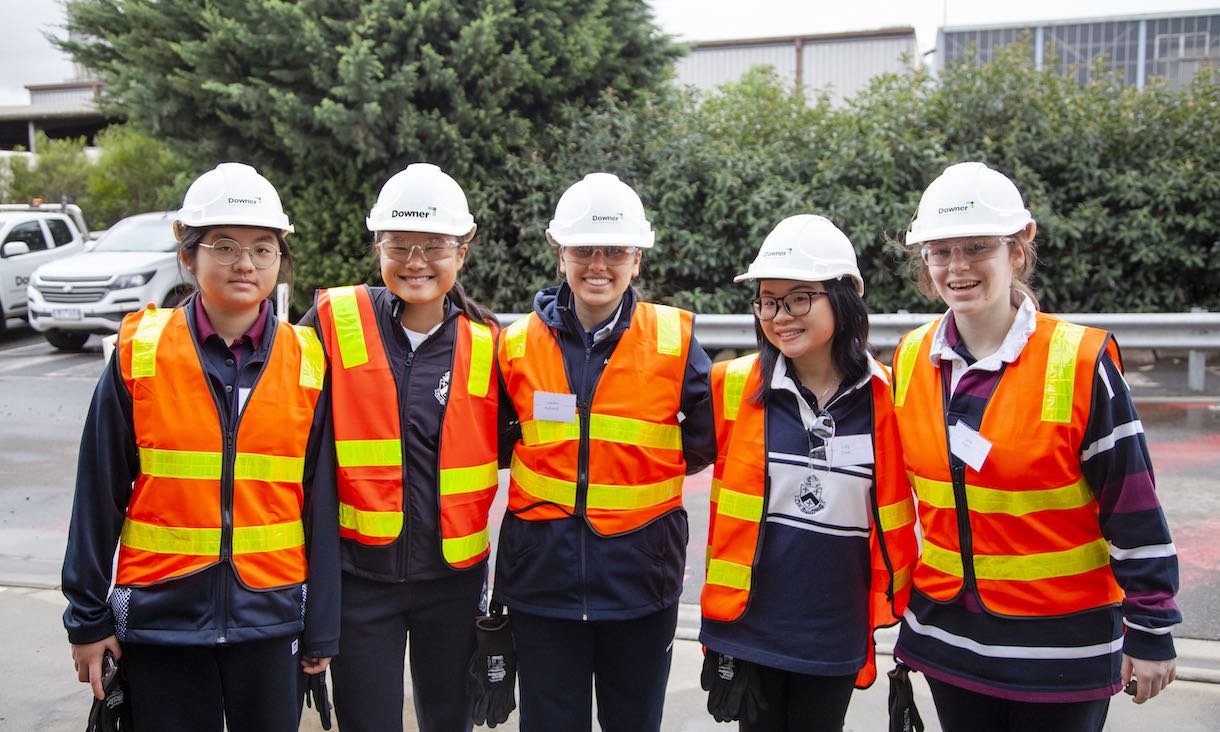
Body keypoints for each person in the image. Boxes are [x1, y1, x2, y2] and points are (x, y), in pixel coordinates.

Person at [890, 162, 1181, 731]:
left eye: (977, 247)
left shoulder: (1079, 360)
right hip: (950, 641)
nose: (958, 267)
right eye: (941, 251)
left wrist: (1151, 628)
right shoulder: (910, 357)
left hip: (1062, 650)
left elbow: (1134, 504)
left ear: (1017, 252)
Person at [62, 162, 339, 732]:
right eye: (224, 244)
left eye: (264, 249)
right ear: (187, 256)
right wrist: (87, 620)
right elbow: (98, 494)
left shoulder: (308, 361)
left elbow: (321, 506)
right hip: (162, 621)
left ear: (280, 261)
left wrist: (323, 629)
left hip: (271, 621)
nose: (246, 263)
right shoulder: (140, 352)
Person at [494, 172, 716, 731]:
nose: (599, 264)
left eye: (614, 251)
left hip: (641, 581)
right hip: (542, 581)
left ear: (636, 259)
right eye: (583, 249)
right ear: (560, 254)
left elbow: (703, 441)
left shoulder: (675, 340)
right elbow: (499, 441)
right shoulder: (515, 344)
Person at [698, 215, 919, 731]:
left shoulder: (889, 398)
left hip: (833, 629)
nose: (779, 316)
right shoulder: (730, 386)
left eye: (799, 298)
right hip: (749, 624)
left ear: (842, 298)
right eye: (768, 300)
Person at [305, 163, 500, 732]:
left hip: (455, 582)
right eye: (400, 245)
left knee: (449, 722)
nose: (416, 261)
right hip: (359, 580)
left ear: (462, 252)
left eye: (434, 245)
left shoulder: (487, 343)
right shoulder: (333, 320)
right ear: (378, 247)